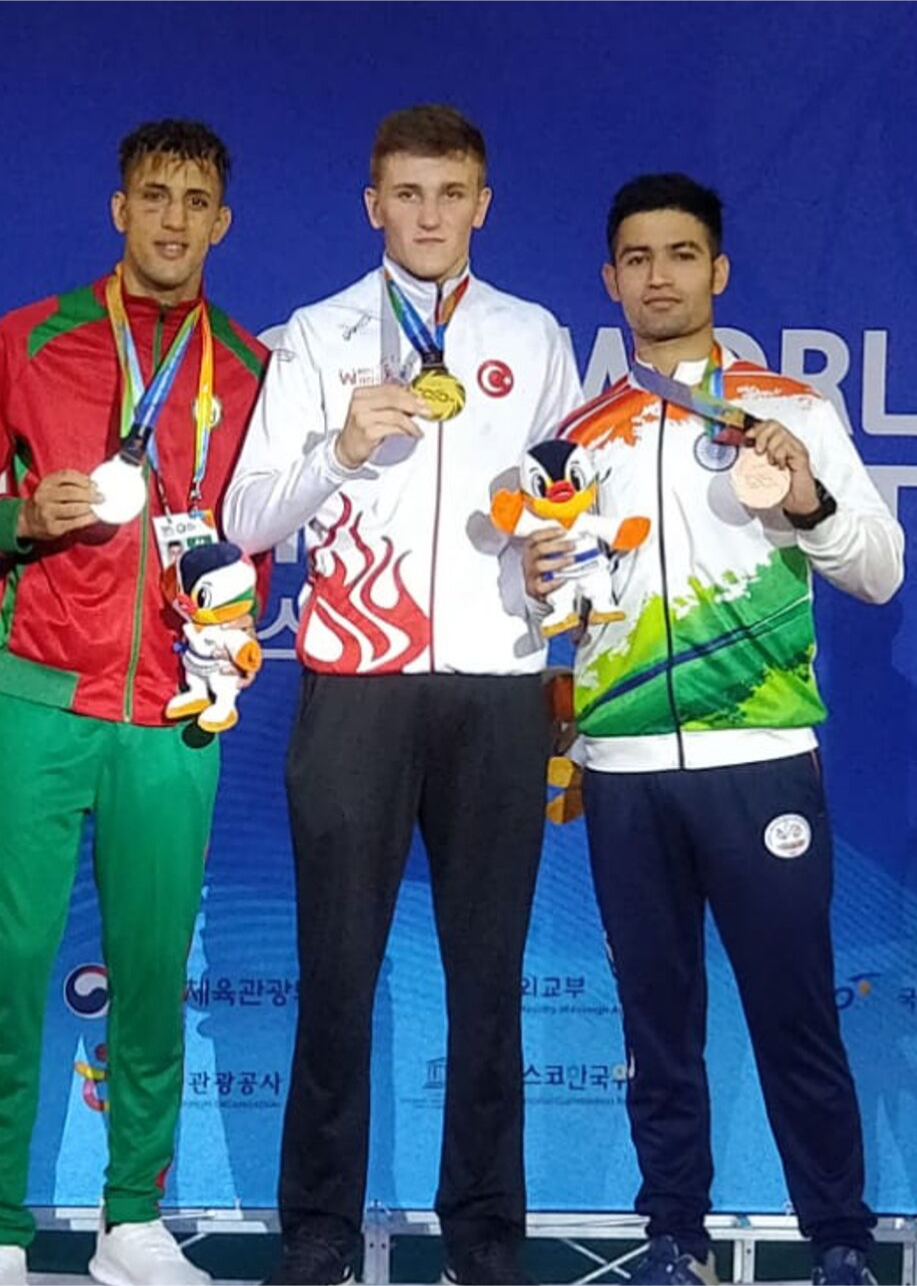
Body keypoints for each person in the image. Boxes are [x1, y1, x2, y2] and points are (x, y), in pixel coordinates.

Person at [222, 104, 582, 1286]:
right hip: (355, 687)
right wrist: (335, 448)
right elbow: (245, 518)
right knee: (335, 971)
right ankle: (317, 1231)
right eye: (407, 194)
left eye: (451, 193)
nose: (429, 215)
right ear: (372, 204)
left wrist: (553, 560)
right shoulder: (315, 336)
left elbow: (568, 508)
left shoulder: (532, 337)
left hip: (497, 687)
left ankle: (484, 1234)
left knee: (487, 980)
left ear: (483, 204)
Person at [525, 172, 905, 1286]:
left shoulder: (792, 411)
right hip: (624, 768)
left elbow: (879, 570)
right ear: (609, 279)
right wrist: (535, 581)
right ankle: (673, 1239)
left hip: (762, 759)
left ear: (718, 272)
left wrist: (806, 501)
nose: (659, 278)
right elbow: (550, 607)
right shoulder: (574, 438)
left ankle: (838, 1242)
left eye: (681, 255)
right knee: (655, 1024)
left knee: (794, 1011)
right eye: (637, 258)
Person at [0, 119, 269, 1286]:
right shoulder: (32, 339)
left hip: (173, 710)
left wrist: (230, 627)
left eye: (195, 200)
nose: (173, 218)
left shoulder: (250, 367)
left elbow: (257, 533)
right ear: (118, 209)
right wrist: (19, 516)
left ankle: (132, 1219)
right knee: (12, 961)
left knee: (153, 965)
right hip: (37, 695)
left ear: (221, 222)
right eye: (153, 195)